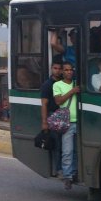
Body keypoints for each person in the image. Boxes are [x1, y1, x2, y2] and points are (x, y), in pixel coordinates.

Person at [53, 62, 81, 190]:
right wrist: (72, 91)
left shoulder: (77, 83)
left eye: (71, 69)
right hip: (67, 123)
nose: (69, 72)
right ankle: (67, 176)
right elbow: (58, 101)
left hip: (80, 122)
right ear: (62, 72)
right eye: (66, 70)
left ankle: (74, 173)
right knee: (67, 151)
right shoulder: (57, 85)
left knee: (77, 150)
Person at [40, 58, 63, 177]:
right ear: (51, 69)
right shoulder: (47, 85)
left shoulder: (64, 83)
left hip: (63, 116)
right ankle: (57, 169)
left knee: (64, 144)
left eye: (60, 69)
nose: (57, 71)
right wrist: (44, 122)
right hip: (53, 116)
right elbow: (44, 104)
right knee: (57, 144)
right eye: (55, 68)